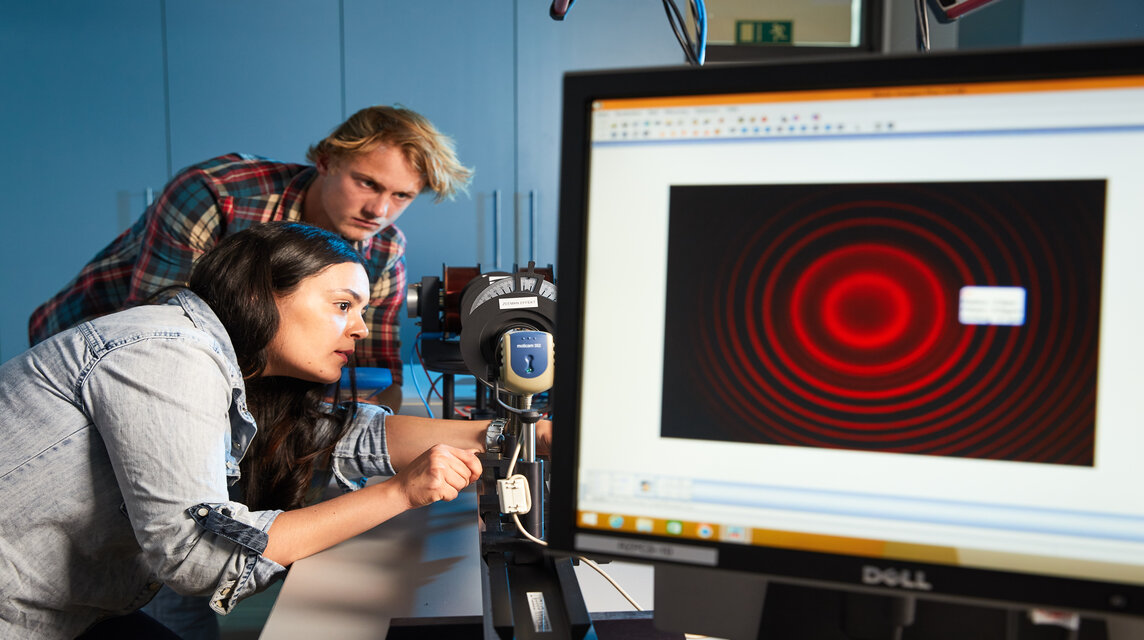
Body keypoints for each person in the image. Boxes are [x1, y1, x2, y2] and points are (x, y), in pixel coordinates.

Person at [0, 222, 548, 639]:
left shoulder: (239, 367)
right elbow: (200, 556)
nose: (359, 327)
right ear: (264, 295)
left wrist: (515, 436)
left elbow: (346, 438)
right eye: (341, 305)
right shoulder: (168, 356)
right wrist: (401, 493)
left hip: (73, 611)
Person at [28, 105, 473, 413]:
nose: (379, 211)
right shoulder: (217, 193)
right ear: (325, 160)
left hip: (219, 373)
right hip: (89, 349)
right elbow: (156, 332)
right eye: (367, 183)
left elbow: (372, 363)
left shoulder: (384, 248)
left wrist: (371, 418)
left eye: (401, 196)